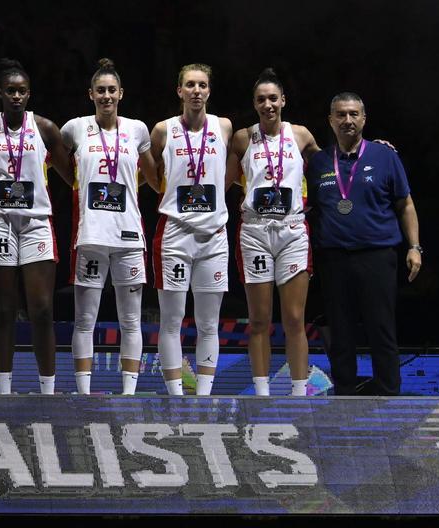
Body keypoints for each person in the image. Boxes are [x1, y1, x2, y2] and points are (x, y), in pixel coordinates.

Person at [0, 58, 74, 394]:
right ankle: (4, 392)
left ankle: (48, 392)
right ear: (0, 93)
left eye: (22, 91)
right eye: (10, 91)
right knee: (5, 311)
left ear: (29, 94)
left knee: (41, 309)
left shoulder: (46, 129)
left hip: (36, 222)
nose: (16, 96)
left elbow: (73, 179)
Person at [306, 92, 421, 396]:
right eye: (341, 115)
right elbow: (309, 209)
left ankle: (388, 389)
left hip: (377, 255)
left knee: (380, 326)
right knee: (340, 329)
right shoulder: (318, 163)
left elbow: (405, 204)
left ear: (364, 119)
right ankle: (344, 391)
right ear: (330, 120)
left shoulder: (385, 156)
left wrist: (414, 246)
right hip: (333, 258)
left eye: (354, 114)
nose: (348, 120)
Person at [61, 58, 157, 395]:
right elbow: (57, 160)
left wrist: (129, 188)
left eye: (111, 90)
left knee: (130, 321)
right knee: (85, 320)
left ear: (121, 94)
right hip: (91, 235)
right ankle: (84, 394)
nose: (106, 96)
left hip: (129, 234)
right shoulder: (75, 127)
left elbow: (153, 177)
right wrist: (77, 184)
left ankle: (128, 394)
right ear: (91, 94)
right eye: (100, 90)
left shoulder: (137, 129)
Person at [226, 68, 321, 397]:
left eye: (273, 98)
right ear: (254, 104)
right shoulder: (242, 137)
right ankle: (262, 395)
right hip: (255, 233)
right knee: (259, 320)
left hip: (292, 230)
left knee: (295, 319)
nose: (268, 104)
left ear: (283, 100)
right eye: (261, 99)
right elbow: (219, 179)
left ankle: (298, 394)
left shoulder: (301, 135)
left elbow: (331, 169)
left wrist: (371, 148)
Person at [148, 63, 233, 396]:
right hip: (175, 234)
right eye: (190, 85)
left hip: (214, 236)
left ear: (209, 90)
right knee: (172, 320)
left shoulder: (223, 127)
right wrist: (166, 192)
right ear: (179, 91)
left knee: (209, 323)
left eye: (202, 85)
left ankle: (203, 398)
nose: (197, 90)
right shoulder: (162, 130)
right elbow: (151, 171)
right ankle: (175, 397)